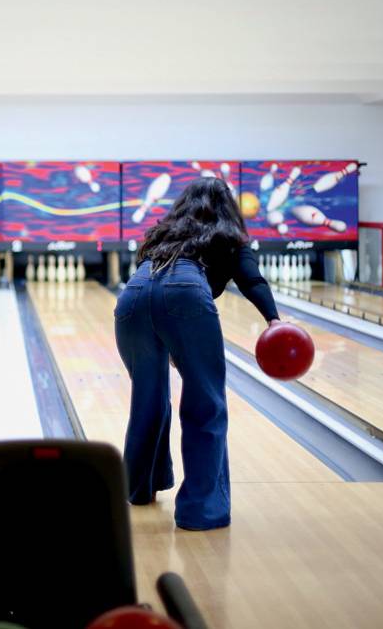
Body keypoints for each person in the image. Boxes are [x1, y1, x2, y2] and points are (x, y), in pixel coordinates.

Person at [114, 177, 279, 531]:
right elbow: (252, 281)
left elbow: (153, 289)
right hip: (186, 293)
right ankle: (201, 511)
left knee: (149, 398)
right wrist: (274, 320)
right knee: (206, 403)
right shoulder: (229, 234)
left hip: (134, 293)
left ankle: (138, 489)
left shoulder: (162, 232)